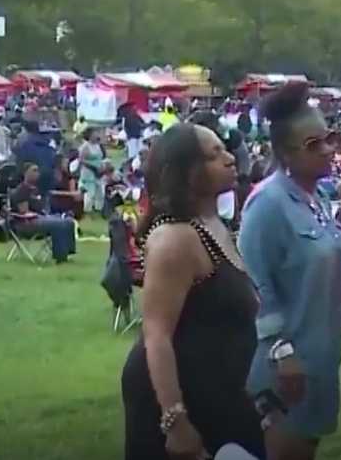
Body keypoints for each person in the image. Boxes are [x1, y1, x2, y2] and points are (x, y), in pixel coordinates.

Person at [238, 82, 341, 460]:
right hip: (284, 368)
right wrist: (282, 352)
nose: (330, 150)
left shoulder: (317, 198)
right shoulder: (267, 204)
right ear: (284, 153)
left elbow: (315, 271)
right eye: (314, 144)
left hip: (320, 359)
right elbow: (255, 285)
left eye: (330, 137)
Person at [121, 123, 265, 460]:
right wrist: (175, 421)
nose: (230, 159)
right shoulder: (175, 238)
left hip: (220, 390)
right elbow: (156, 335)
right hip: (179, 395)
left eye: (225, 150)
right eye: (215, 155)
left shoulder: (215, 225)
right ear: (187, 172)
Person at [10, 163, 76, 263]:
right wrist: (44, 217)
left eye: (38, 170)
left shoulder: (36, 189)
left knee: (69, 221)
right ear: (25, 173)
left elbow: (42, 208)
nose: (37, 173)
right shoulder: (21, 190)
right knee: (58, 224)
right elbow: (24, 213)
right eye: (34, 170)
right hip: (25, 224)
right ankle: (60, 257)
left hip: (40, 218)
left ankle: (68, 251)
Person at [78, 126, 105, 213]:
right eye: (95, 133)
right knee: (90, 192)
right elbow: (81, 160)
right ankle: (87, 210)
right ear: (89, 135)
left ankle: (98, 209)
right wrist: (93, 166)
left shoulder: (98, 145)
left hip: (99, 172)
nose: (97, 135)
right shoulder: (85, 147)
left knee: (100, 191)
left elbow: (102, 157)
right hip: (88, 172)